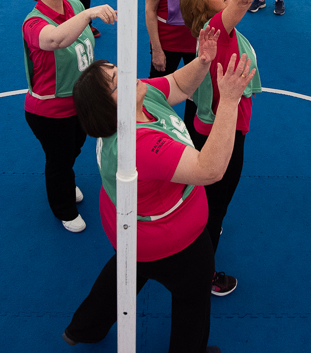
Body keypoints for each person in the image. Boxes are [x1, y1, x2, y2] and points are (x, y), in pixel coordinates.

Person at [63, 49, 255, 352]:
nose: (126, 76)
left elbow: (178, 84)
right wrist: (229, 101)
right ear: (108, 108)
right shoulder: (137, 146)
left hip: (131, 225)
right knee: (192, 298)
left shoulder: (139, 96)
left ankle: (84, 327)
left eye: (117, 69)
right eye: (116, 82)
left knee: (128, 268)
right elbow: (210, 169)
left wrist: (203, 60)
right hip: (169, 239)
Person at [178, 0, 272, 297]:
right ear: (205, 6)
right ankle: (203, 274)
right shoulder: (216, 28)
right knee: (214, 206)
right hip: (224, 132)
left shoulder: (215, 32)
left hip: (224, 126)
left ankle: (201, 228)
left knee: (210, 199)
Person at [21, 0, 117, 233]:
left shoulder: (73, 4)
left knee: (73, 148)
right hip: (50, 110)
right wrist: (87, 15)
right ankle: (63, 208)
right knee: (59, 159)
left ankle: (64, 180)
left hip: (80, 102)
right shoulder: (33, 24)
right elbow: (55, 40)